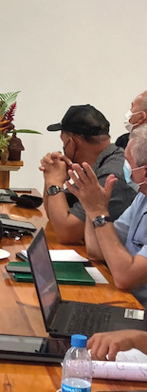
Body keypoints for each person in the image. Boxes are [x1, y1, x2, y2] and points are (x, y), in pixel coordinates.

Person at [66, 126, 147, 306]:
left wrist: (98, 211)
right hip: (127, 302)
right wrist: (90, 205)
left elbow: (126, 277)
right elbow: (97, 250)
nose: (122, 168)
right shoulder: (142, 198)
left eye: (127, 162)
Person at [39, 104, 135, 244]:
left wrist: (54, 181)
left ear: (71, 143)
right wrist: (50, 177)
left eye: (63, 142)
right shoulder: (97, 164)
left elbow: (66, 232)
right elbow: (54, 217)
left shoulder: (111, 174)